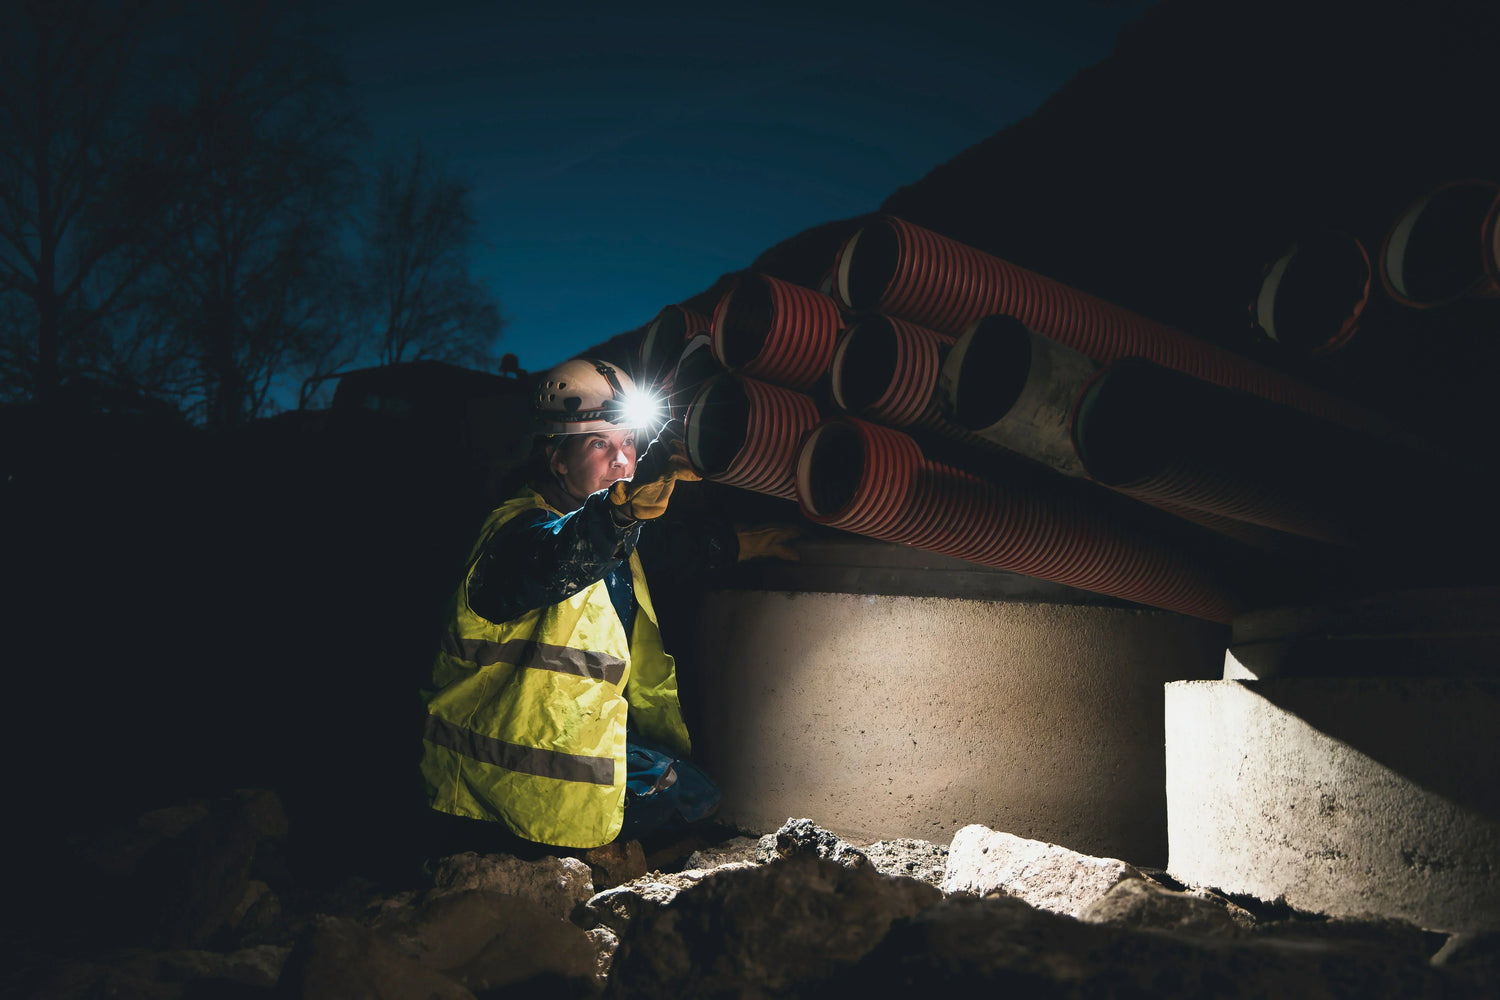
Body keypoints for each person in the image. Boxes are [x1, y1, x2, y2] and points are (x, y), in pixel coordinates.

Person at [419, 357, 798, 851]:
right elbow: (558, 555)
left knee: (696, 791)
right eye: (600, 445)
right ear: (556, 458)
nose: (622, 462)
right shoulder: (518, 534)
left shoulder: (611, 530)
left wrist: (741, 543)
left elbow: (662, 551)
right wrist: (615, 514)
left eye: (629, 444)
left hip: (557, 752)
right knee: (686, 798)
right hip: (496, 782)